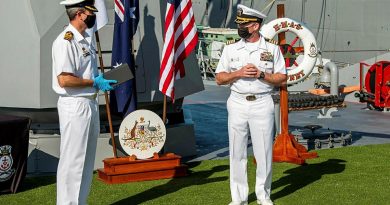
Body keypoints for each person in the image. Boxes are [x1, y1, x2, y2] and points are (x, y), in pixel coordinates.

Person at [215, 4, 287, 205]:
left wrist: (261, 74)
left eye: (243, 24)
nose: (240, 27)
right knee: (236, 151)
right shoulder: (231, 48)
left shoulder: (272, 49)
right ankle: (238, 199)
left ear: (255, 26)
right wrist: (238, 73)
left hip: (262, 103)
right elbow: (219, 78)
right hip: (237, 103)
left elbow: (282, 78)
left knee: (263, 152)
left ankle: (263, 196)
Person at [52, 0, 116, 204]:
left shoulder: (83, 39)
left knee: (86, 161)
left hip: (88, 103)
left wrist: (96, 83)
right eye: (90, 12)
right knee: (73, 161)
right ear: (80, 14)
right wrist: (94, 82)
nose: (92, 16)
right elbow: (64, 79)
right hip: (75, 106)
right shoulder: (66, 41)